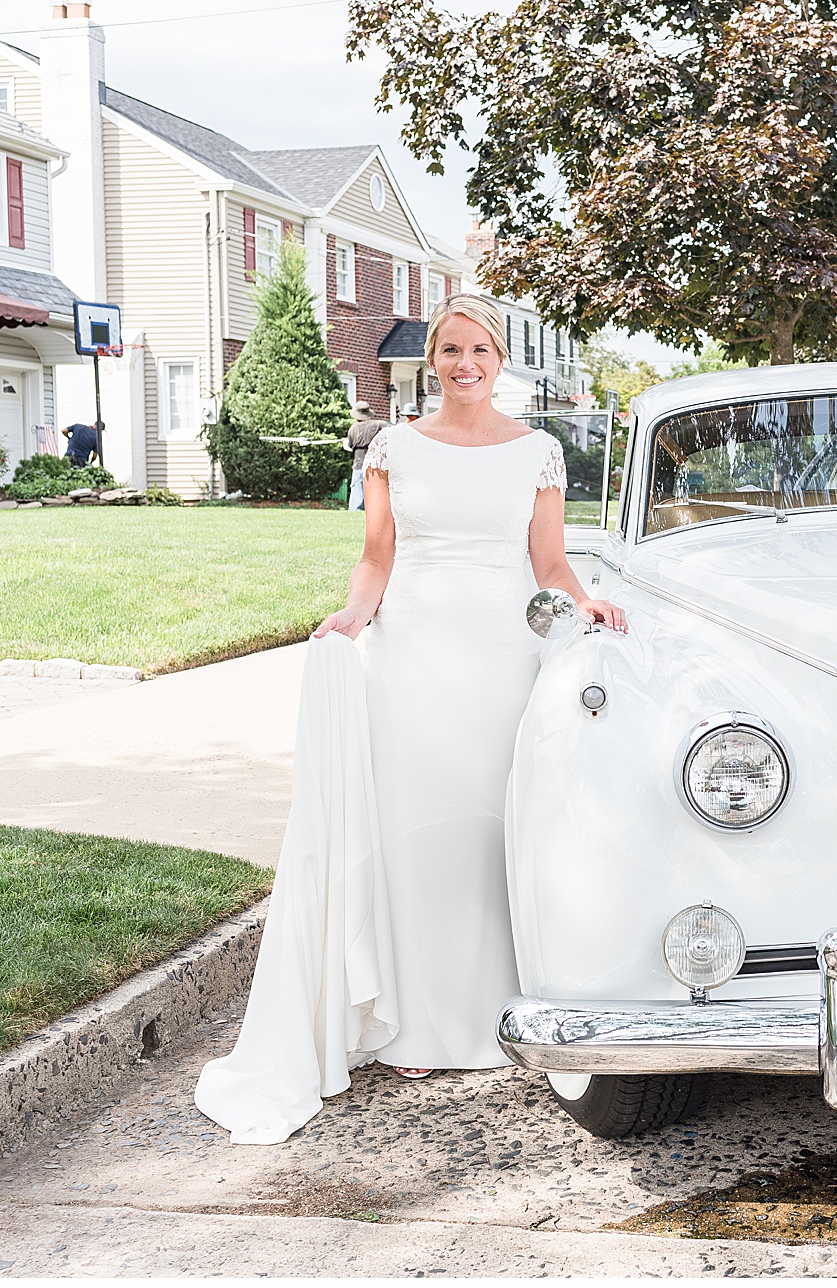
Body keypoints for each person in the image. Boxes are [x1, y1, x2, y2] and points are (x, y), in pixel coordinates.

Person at [195, 293, 628, 1144]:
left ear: (502, 359)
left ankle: (508, 1007)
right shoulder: (393, 445)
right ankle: (414, 1022)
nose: (466, 364)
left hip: (503, 653)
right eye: (451, 350)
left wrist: (587, 602)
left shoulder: (538, 452)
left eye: (481, 350)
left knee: (497, 828)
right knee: (414, 833)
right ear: (431, 359)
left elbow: (548, 559)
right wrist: (354, 616)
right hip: (413, 655)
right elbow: (376, 555)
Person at [345, 403, 382, 511]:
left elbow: (350, 445)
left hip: (359, 464)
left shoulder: (353, 428)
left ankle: (356, 511)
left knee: (357, 492)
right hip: (375, 464)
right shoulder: (380, 425)